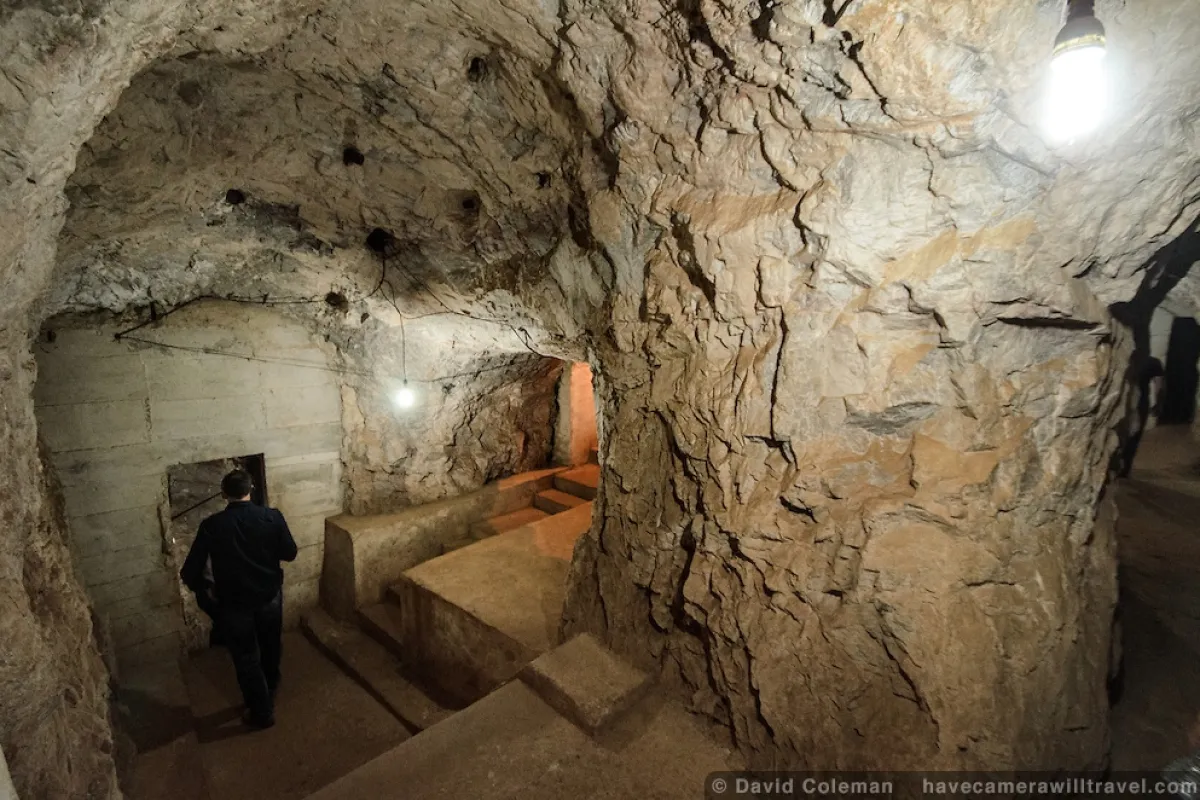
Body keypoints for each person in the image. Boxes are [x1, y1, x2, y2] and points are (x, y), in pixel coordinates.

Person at [180, 469, 298, 729]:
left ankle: (261, 711)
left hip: (234, 604)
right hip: (269, 596)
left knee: (246, 657)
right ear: (251, 488)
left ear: (224, 494)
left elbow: (190, 571)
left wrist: (206, 595)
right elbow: (290, 553)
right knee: (270, 646)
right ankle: (270, 690)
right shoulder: (272, 517)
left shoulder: (212, 526)